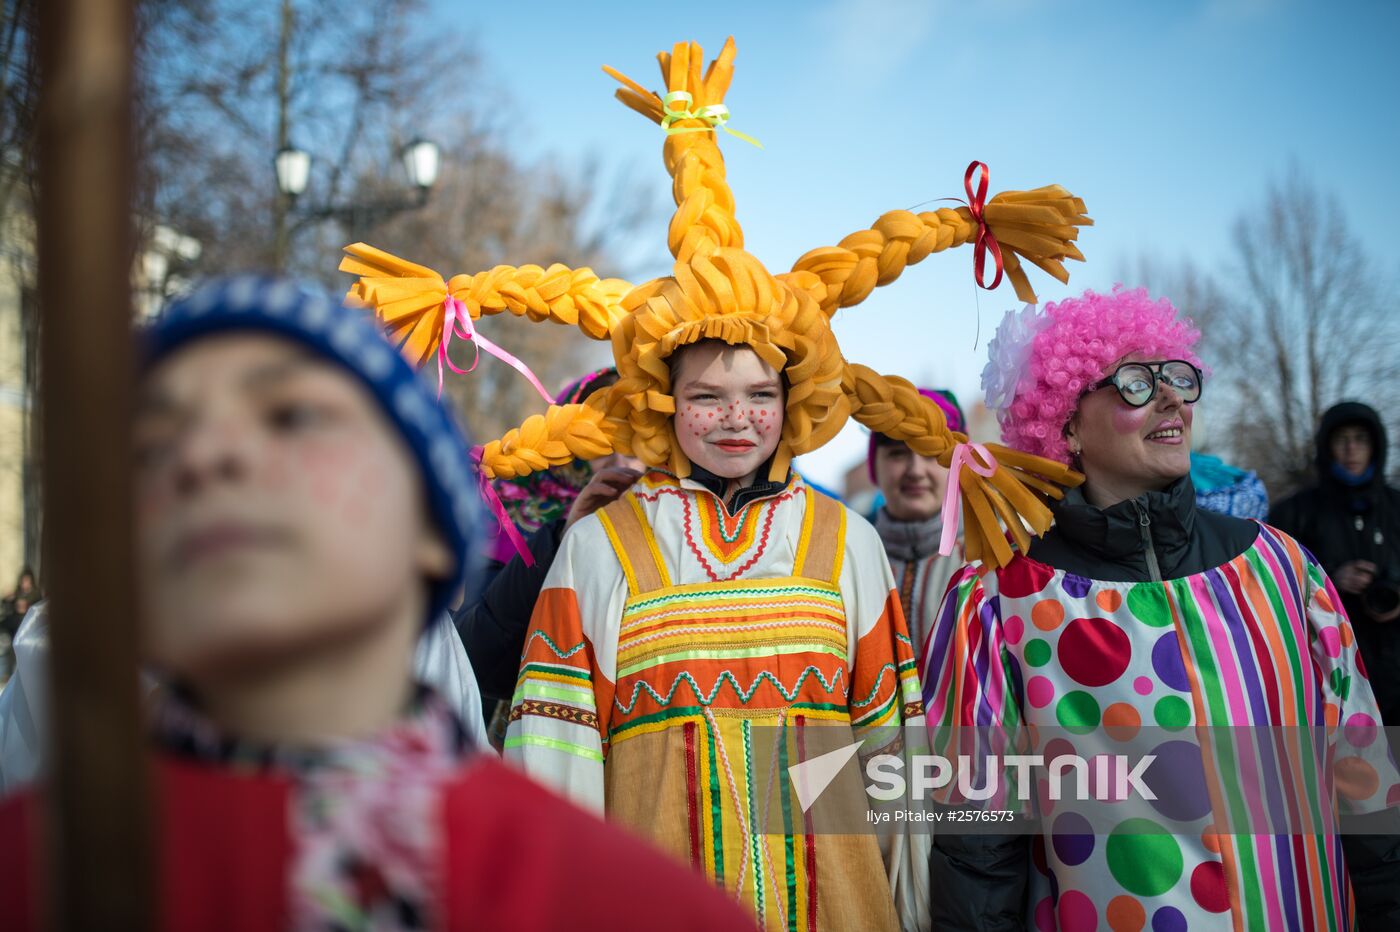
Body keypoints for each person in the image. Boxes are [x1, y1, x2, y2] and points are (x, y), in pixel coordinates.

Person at [342, 37, 1092, 932]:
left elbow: (893, 755)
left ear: (791, 401)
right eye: (707, 396)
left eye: (757, 395)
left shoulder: (844, 544)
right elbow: (556, 760)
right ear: (666, 402)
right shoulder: (599, 546)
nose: (735, 418)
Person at [0, 276, 758, 930]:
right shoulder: (32, 877)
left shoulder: (632, 909)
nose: (211, 457)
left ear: (428, 530)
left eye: (294, 418)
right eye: (157, 440)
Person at [922, 288, 1400, 929]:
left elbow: (1366, 783)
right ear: (1066, 423)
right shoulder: (997, 599)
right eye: (1135, 382)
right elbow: (977, 846)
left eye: (1176, 375)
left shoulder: (1284, 569)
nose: (1173, 397)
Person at [455, 367, 643, 718]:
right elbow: (476, 656)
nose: (619, 464)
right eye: (599, 442)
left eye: (635, 442)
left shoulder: (678, 514)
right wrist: (562, 538)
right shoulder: (508, 516)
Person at [1270, 402, 1400, 723]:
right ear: (1326, 447)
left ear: (1376, 445)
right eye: (1341, 439)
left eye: (1360, 438)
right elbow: (1272, 585)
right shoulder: (1294, 513)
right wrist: (1328, 580)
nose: (1351, 448)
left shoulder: (1396, 507)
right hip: (1330, 668)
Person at [866, 388, 967, 655]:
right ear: (874, 465)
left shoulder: (992, 560)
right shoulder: (845, 561)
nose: (915, 471)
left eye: (932, 453)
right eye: (898, 453)